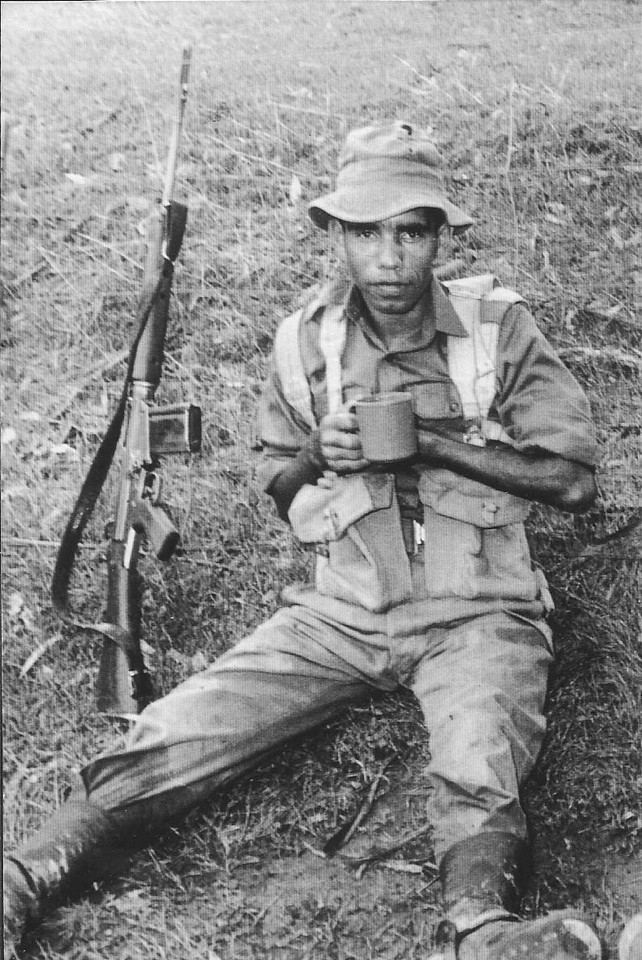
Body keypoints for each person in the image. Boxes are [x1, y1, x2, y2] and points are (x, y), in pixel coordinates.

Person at [4, 121, 605, 959]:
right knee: (192, 724)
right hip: (341, 612)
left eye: (410, 232)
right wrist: (316, 453)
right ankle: (24, 877)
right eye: (366, 232)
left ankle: (484, 930)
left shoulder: (497, 330)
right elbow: (277, 475)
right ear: (337, 236)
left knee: (479, 753)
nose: (389, 258)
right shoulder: (304, 340)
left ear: (438, 236)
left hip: (479, 612)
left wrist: (434, 443)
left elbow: (575, 480)